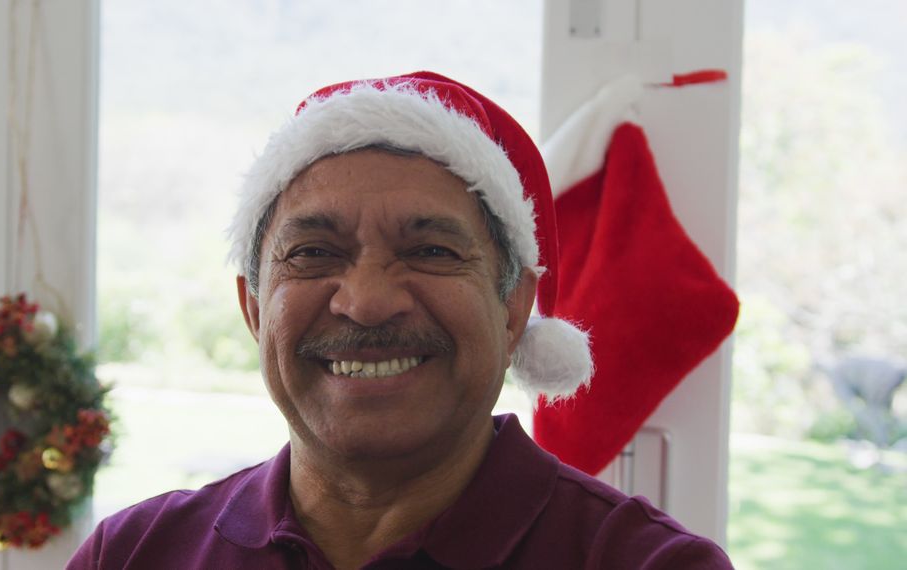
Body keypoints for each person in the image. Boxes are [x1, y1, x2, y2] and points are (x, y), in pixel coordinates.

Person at [68, 71, 733, 569]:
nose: (365, 301)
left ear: (513, 308)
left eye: (431, 251)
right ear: (252, 307)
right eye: (314, 253)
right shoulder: (133, 554)